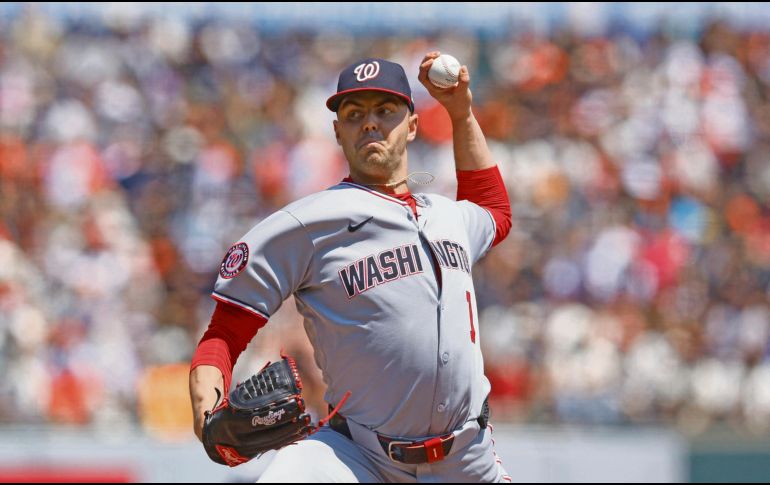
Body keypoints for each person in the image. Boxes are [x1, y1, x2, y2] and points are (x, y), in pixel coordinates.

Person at [189, 52, 512, 482]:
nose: (370, 122)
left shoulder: (449, 216)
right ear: (338, 131)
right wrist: (206, 417)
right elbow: (224, 333)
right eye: (354, 113)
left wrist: (461, 113)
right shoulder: (305, 224)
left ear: (412, 125)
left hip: (467, 459)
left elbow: (494, 210)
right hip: (356, 457)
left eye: (386, 110)